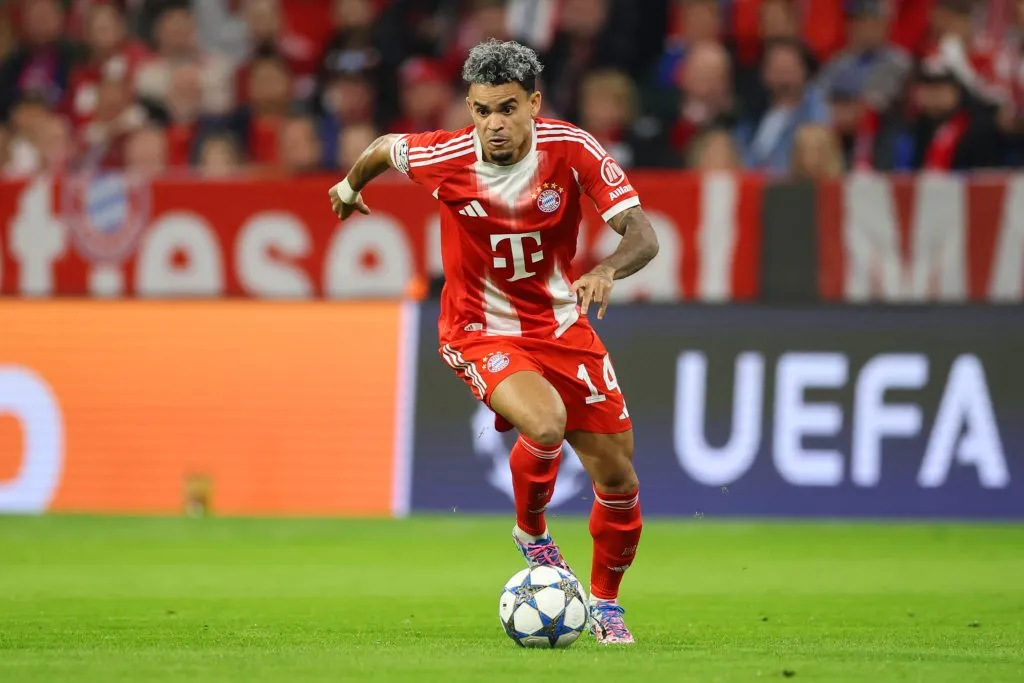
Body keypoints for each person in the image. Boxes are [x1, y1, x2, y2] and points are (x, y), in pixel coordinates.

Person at [328, 39, 658, 645]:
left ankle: (607, 606)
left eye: (507, 108)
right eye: (481, 110)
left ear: (534, 103)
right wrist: (349, 189)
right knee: (546, 423)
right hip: (478, 329)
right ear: (469, 108)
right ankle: (532, 533)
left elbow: (642, 234)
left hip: (560, 324)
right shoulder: (447, 156)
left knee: (619, 478)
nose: (493, 124)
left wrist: (607, 269)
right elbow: (381, 149)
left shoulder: (573, 149)